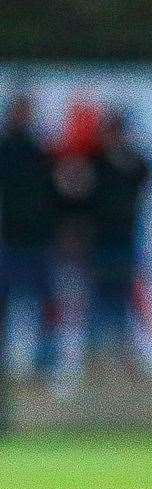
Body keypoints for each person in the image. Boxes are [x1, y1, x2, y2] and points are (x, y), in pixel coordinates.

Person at [0, 93, 60, 390]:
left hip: (36, 242)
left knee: (47, 305)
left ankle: (44, 368)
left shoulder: (40, 151)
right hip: (9, 242)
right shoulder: (9, 149)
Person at [87, 109, 151, 369]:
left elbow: (146, 175)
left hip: (125, 239)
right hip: (98, 241)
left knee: (124, 300)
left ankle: (126, 358)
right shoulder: (96, 163)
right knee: (97, 302)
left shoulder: (133, 162)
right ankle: (96, 359)